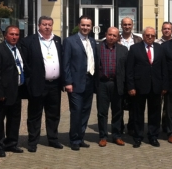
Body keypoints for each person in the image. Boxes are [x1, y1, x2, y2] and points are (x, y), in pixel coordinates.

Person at [22, 16, 64, 153]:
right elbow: (25, 63)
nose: (47, 27)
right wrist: (29, 82)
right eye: (44, 24)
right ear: (38, 26)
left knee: (54, 114)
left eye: (49, 25)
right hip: (37, 84)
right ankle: (33, 141)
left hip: (54, 85)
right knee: (35, 115)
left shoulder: (57, 40)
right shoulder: (29, 41)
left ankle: (53, 139)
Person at [126, 26, 168, 147]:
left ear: (155, 36)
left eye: (152, 35)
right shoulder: (134, 48)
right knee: (138, 113)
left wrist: (164, 85)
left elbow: (164, 68)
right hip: (139, 87)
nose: (150, 37)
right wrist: (131, 87)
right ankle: (138, 137)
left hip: (156, 86)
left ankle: (153, 136)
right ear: (143, 36)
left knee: (155, 113)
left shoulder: (160, 48)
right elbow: (129, 70)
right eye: (147, 35)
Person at [0, 25, 27, 157]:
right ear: (5, 35)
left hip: (17, 90)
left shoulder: (19, 48)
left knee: (14, 119)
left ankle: (11, 143)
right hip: (3, 93)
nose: (14, 37)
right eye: (11, 34)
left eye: (17, 34)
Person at [63, 16, 98, 151]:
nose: (85, 28)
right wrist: (68, 82)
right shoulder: (70, 41)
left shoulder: (93, 41)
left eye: (88, 25)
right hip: (75, 82)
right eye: (83, 25)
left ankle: (81, 137)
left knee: (85, 112)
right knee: (76, 112)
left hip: (90, 81)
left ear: (91, 27)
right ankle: (74, 139)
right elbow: (66, 63)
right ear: (78, 25)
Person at [95, 27, 128, 147]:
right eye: (110, 35)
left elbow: (126, 68)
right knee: (102, 112)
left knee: (117, 111)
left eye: (114, 36)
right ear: (106, 34)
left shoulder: (123, 49)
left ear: (118, 37)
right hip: (102, 84)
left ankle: (117, 136)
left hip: (117, 84)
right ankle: (103, 136)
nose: (111, 37)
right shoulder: (97, 47)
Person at [118, 16, 141, 135]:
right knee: (119, 103)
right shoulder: (116, 38)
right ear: (121, 25)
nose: (127, 26)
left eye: (129, 24)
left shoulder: (139, 39)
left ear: (133, 26)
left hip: (134, 76)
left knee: (134, 104)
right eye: (125, 24)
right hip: (119, 76)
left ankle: (131, 127)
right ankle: (119, 127)